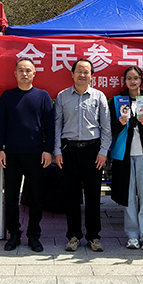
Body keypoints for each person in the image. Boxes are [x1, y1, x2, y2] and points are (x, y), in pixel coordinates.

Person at [0, 58, 54, 253]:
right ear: (15, 73)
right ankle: (14, 234)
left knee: (36, 197)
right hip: (11, 154)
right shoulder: (7, 96)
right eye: (21, 70)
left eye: (28, 70)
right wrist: (0, 149)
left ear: (34, 73)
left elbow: (50, 126)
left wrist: (48, 150)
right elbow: (0, 125)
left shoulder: (43, 96)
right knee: (11, 196)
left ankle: (33, 235)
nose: (25, 74)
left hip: (36, 154)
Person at [54, 58, 111, 252]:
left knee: (93, 196)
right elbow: (57, 126)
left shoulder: (99, 96)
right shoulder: (62, 96)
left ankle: (94, 236)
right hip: (68, 150)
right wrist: (57, 151)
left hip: (92, 151)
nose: (82, 74)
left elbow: (106, 127)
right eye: (79, 71)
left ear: (92, 76)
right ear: (72, 74)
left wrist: (103, 152)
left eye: (86, 71)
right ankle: (73, 236)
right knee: (71, 196)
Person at [109, 66, 143, 251]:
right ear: (124, 81)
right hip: (124, 155)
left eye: (136, 78)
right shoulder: (116, 101)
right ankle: (132, 235)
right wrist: (120, 123)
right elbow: (110, 128)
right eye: (129, 78)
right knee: (128, 196)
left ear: (141, 80)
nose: (132, 81)